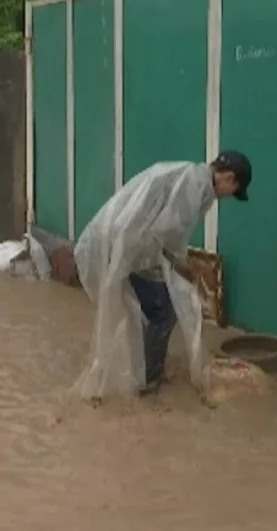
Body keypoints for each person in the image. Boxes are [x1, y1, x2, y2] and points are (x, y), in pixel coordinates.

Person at [73, 151, 252, 398]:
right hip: (123, 245)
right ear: (229, 178)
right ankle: (147, 382)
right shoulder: (194, 185)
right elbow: (168, 232)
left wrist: (178, 261)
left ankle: (143, 368)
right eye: (235, 190)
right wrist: (182, 265)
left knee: (144, 308)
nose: (230, 195)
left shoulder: (194, 179)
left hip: (126, 243)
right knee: (163, 312)